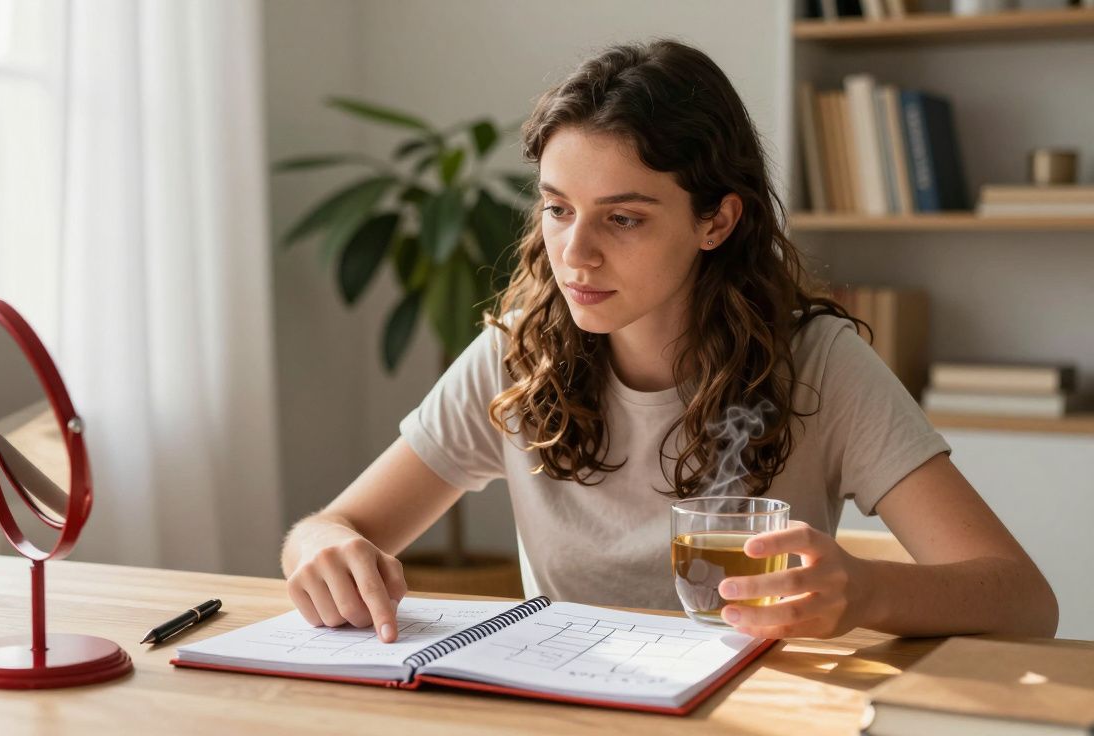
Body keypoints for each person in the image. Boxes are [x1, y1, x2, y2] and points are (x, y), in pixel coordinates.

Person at [280, 39, 1058, 644]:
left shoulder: (817, 365)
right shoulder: (518, 356)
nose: (574, 254)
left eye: (623, 218)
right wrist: (320, 549)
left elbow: (1023, 599)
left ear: (716, 220)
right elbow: (333, 527)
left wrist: (868, 590)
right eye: (557, 210)